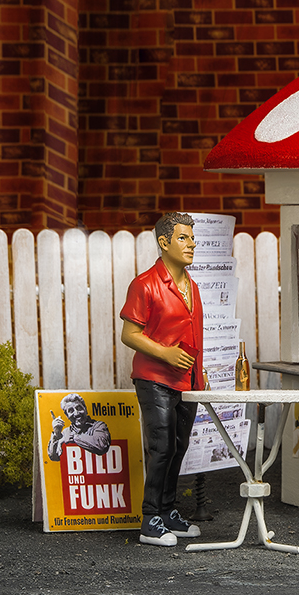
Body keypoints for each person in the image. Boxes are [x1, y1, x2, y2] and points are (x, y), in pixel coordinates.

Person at [119, 212, 205, 547]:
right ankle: (150, 518)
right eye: (183, 238)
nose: (191, 244)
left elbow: (195, 333)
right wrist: (165, 354)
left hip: (187, 380)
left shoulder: (192, 286)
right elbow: (130, 333)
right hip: (155, 378)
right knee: (162, 446)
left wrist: (201, 371)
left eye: (192, 238)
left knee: (179, 446)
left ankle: (168, 510)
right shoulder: (145, 284)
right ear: (164, 242)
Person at [47, 393, 110, 460]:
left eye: (79, 408)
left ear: (85, 409)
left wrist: (73, 437)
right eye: (71, 411)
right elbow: (54, 457)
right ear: (67, 415)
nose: (76, 413)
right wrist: (56, 434)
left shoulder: (98, 426)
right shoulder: (66, 432)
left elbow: (102, 446)